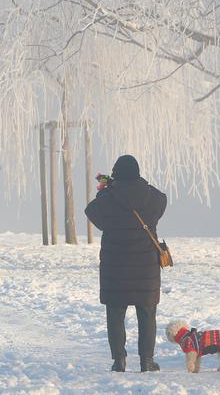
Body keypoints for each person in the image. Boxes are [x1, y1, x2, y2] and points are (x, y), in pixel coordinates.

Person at [84, 154, 168, 373]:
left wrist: (107, 190)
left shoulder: (108, 197)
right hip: (145, 268)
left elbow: (91, 211)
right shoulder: (152, 196)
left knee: (115, 313)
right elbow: (162, 200)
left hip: (116, 267)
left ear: (117, 174)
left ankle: (119, 360)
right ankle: (147, 361)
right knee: (147, 313)